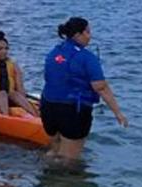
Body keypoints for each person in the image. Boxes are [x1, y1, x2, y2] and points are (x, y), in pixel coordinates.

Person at [41, 16, 127, 160]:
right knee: (69, 158)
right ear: (77, 35)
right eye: (87, 32)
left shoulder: (54, 52)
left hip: (48, 108)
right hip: (73, 111)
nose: (90, 36)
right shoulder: (87, 58)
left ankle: (46, 178)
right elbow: (101, 87)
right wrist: (118, 113)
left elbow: (49, 78)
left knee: (54, 150)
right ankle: (65, 181)